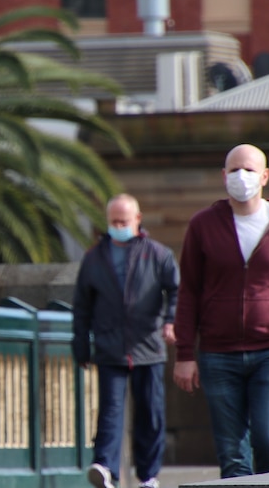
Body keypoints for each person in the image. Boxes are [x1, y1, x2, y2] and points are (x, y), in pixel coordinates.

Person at [172, 143, 269, 478]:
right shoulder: (202, 225)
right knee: (232, 452)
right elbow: (189, 291)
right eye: (234, 169)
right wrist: (184, 353)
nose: (242, 176)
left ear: (265, 176)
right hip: (217, 354)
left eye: (249, 170)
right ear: (223, 177)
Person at [72, 194, 180, 488]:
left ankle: (148, 476)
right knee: (110, 411)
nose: (119, 226)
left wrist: (171, 321)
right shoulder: (94, 258)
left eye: (124, 221)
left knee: (151, 413)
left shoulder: (158, 254)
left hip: (149, 347)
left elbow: (176, 290)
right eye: (113, 222)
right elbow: (82, 305)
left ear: (137, 219)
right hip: (110, 347)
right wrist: (81, 345)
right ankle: (105, 467)